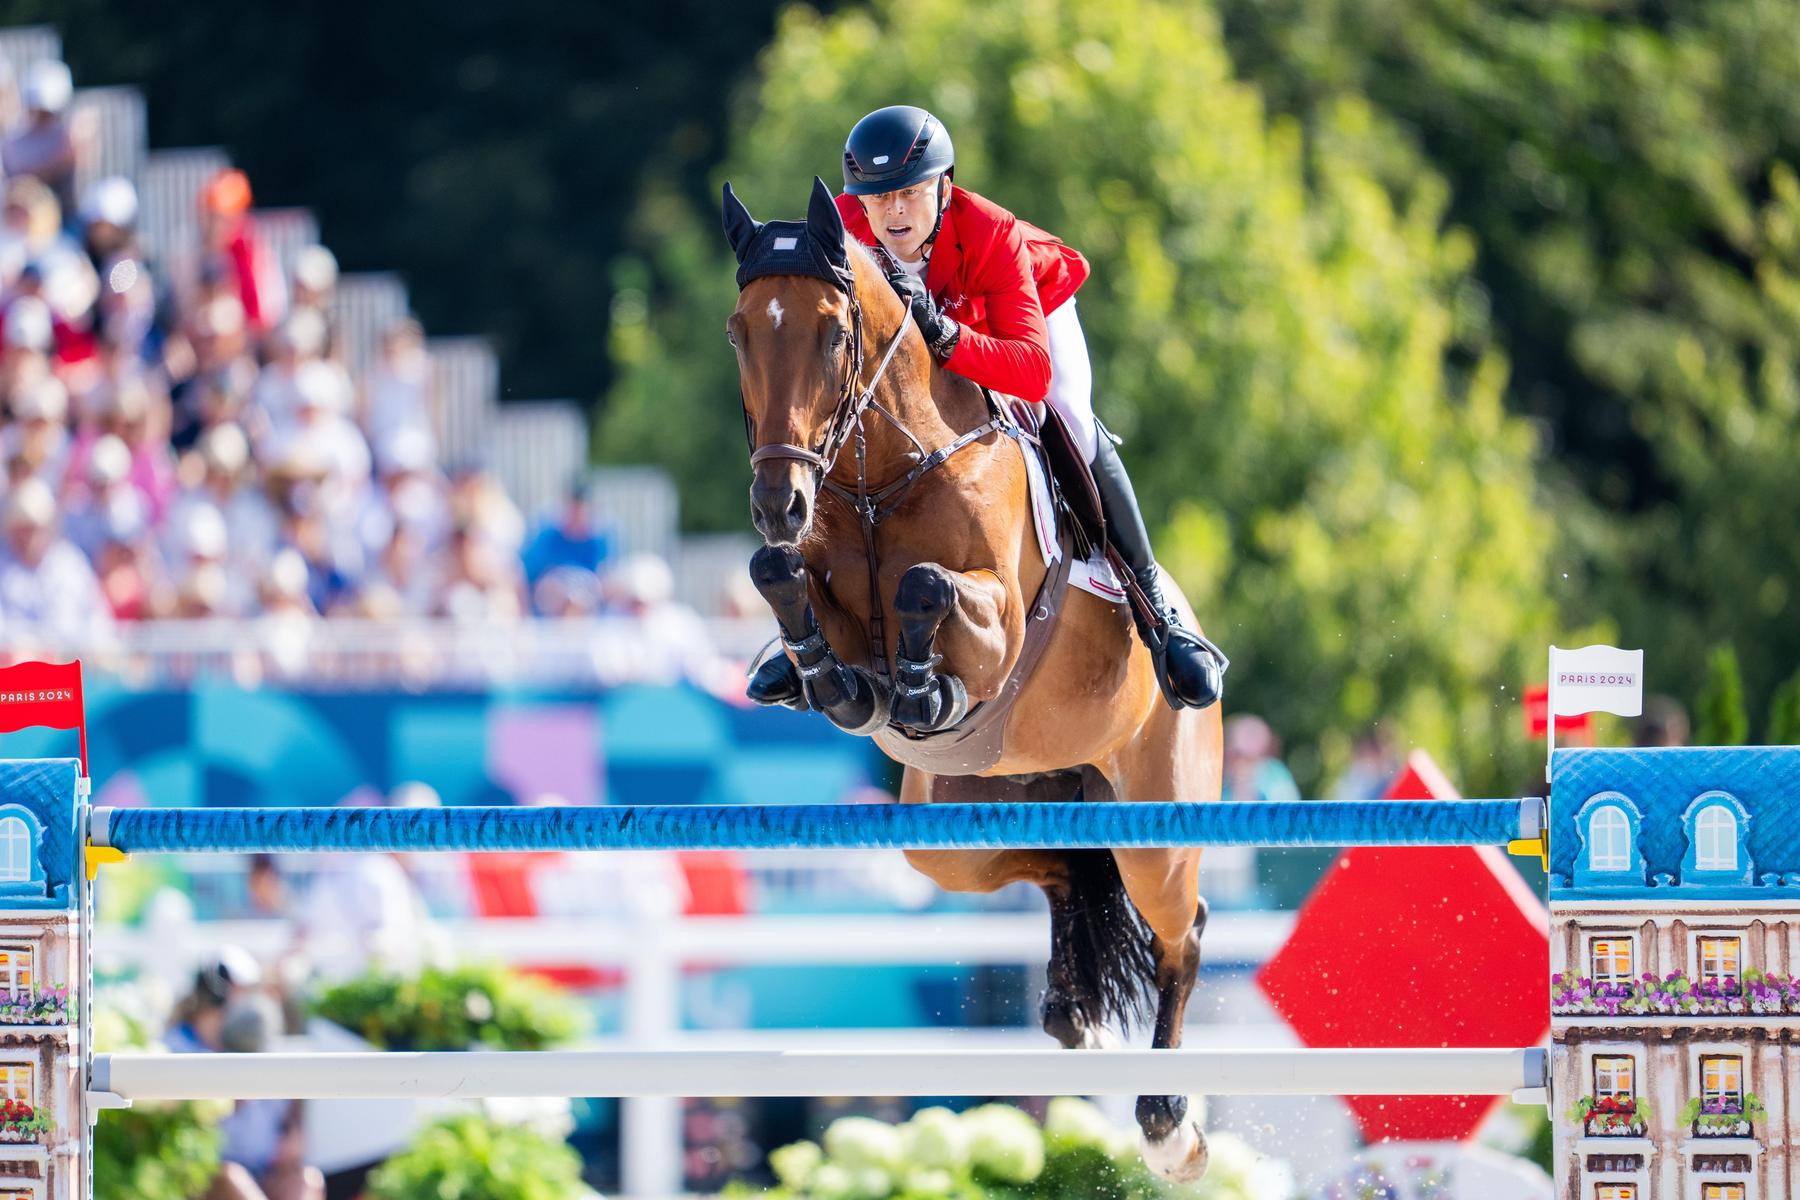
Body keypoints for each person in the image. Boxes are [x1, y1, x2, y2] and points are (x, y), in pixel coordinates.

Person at [747, 105, 1224, 713]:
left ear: (944, 186)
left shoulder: (990, 231)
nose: (894, 212)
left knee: (1069, 414)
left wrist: (944, 335)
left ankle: (1156, 611)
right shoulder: (839, 233)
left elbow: (1029, 370)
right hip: (927, 339)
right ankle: (802, 632)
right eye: (878, 197)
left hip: (1021, 322)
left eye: (911, 194)